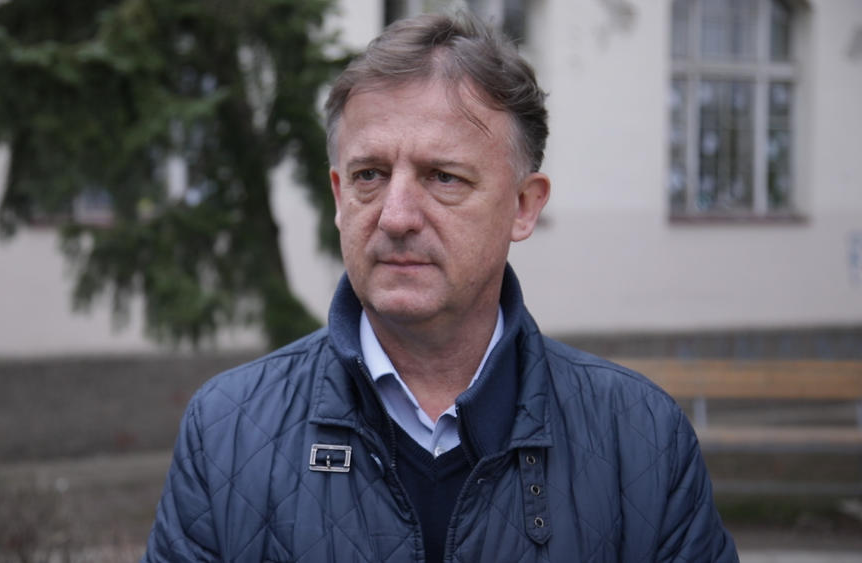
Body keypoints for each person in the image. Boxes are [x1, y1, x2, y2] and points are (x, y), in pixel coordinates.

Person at [143, 12, 738, 563]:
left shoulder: (640, 440)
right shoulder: (227, 431)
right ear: (339, 196)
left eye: (444, 177)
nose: (396, 216)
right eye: (370, 175)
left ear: (523, 206)